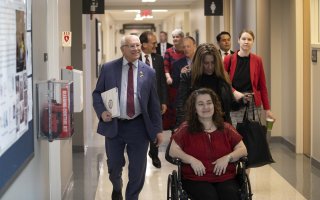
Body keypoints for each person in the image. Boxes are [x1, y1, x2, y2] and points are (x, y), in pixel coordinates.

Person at [92, 35, 163, 200]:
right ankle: (117, 186)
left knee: (137, 169)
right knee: (114, 166)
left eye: (138, 45)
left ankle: (132, 197)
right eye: (131, 46)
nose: (136, 49)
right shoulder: (109, 68)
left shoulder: (149, 72)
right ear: (122, 48)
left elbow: (154, 104)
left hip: (138, 126)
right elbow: (97, 94)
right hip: (115, 125)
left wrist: (158, 130)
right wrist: (102, 112)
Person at [169, 88, 247, 200]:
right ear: (194, 109)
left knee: (230, 195)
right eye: (200, 104)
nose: (206, 107)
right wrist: (191, 160)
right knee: (209, 197)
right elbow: (173, 150)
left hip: (225, 177)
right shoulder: (186, 129)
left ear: (214, 105)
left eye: (209, 103)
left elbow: (242, 149)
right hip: (196, 178)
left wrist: (228, 157)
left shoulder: (226, 128)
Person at [176, 43, 239, 127]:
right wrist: (181, 127)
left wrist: (242, 101)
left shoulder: (222, 77)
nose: (210, 67)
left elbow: (231, 104)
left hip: (220, 126)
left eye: (213, 63)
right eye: (206, 63)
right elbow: (181, 106)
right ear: (199, 63)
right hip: (197, 126)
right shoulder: (188, 77)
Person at [224, 30, 275, 127]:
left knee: (252, 133)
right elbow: (222, 81)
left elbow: (262, 86)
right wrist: (234, 91)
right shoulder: (229, 59)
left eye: (249, 39)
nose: (246, 42)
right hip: (235, 100)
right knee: (236, 133)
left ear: (253, 42)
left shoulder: (257, 60)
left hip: (252, 103)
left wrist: (267, 109)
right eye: (243, 39)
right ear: (238, 40)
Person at [139, 31, 168, 168]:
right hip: (140, 99)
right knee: (141, 126)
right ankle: (140, 152)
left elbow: (162, 81)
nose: (156, 45)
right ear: (144, 44)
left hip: (155, 99)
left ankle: (154, 153)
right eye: (153, 43)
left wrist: (163, 101)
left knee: (156, 125)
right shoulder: (135, 58)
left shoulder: (158, 59)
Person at [162, 28, 185, 132]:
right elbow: (165, 66)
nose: (175, 39)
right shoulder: (169, 51)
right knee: (173, 108)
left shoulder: (186, 50)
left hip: (184, 82)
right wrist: (168, 77)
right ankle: (174, 130)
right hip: (172, 84)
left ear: (182, 38)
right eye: (174, 37)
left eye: (177, 36)